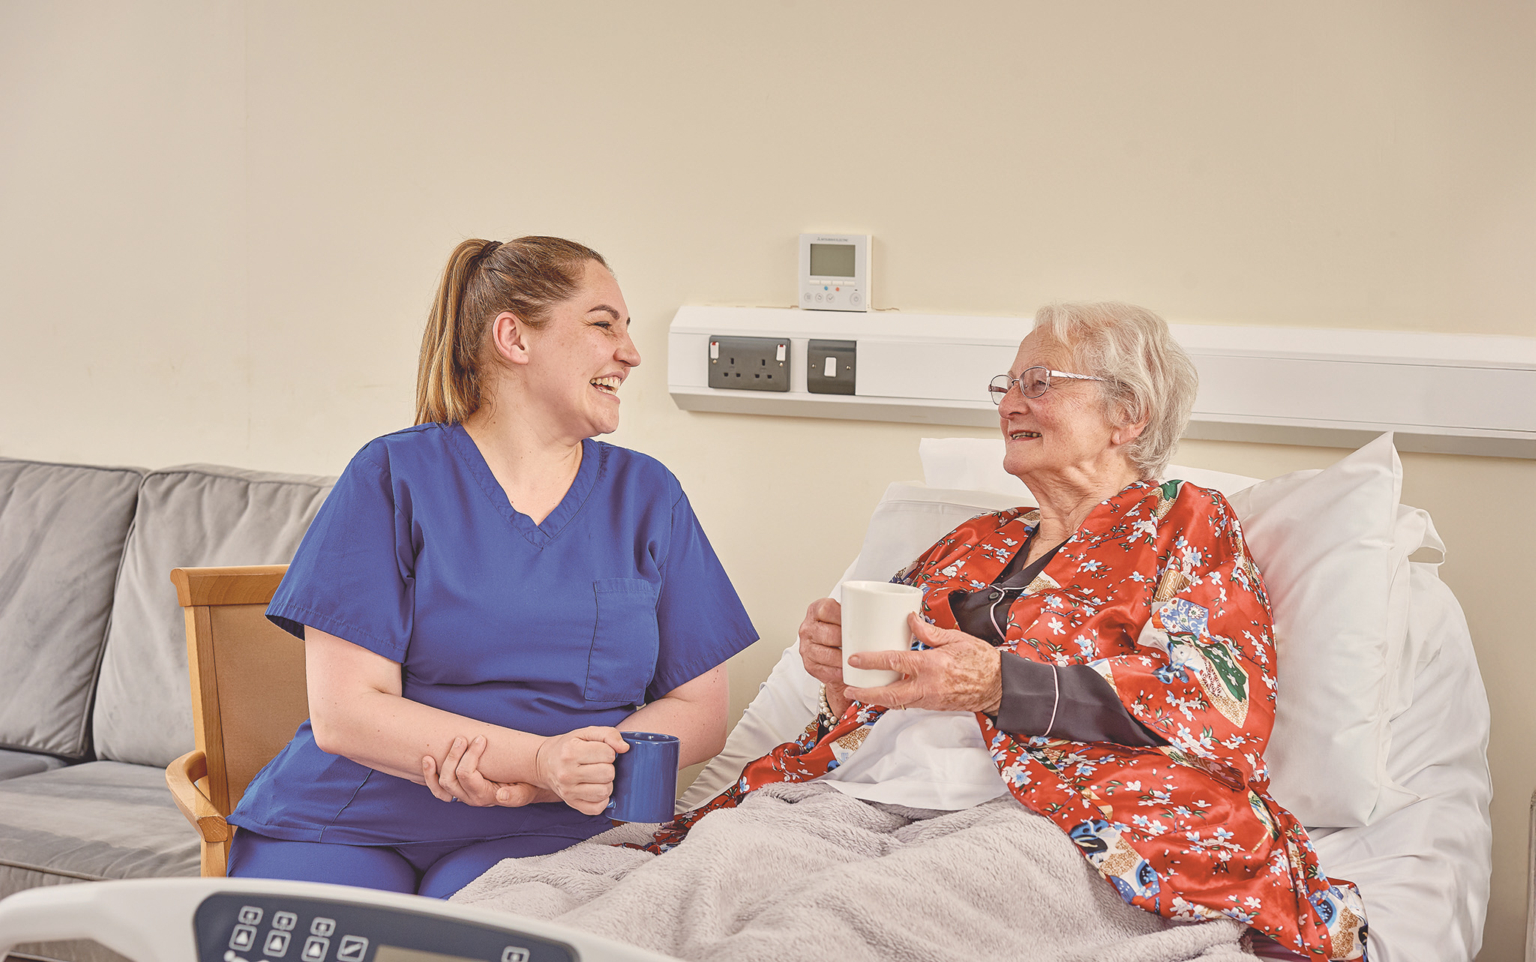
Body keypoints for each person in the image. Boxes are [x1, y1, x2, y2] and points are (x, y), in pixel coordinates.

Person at [650, 303, 1366, 960]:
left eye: (1041, 381)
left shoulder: (1181, 522)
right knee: (701, 875)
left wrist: (1001, 685)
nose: (1011, 402)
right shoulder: (969, 542)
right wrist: (841, 672)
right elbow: (878, 691)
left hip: (1054, 814)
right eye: (1009, 383)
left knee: (835, 921)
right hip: (869, 794)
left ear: (1129, 416)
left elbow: (1219, 706)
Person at [225, 236, 757, 898]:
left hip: (554, 829)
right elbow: (346, 714)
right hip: (352, 817)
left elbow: (699, 709)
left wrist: (575, 769)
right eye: (603, 324)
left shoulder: (649, 497)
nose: (630, 351)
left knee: (481, 935)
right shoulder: (393, 476)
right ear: (515, 337)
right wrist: (537, 760)